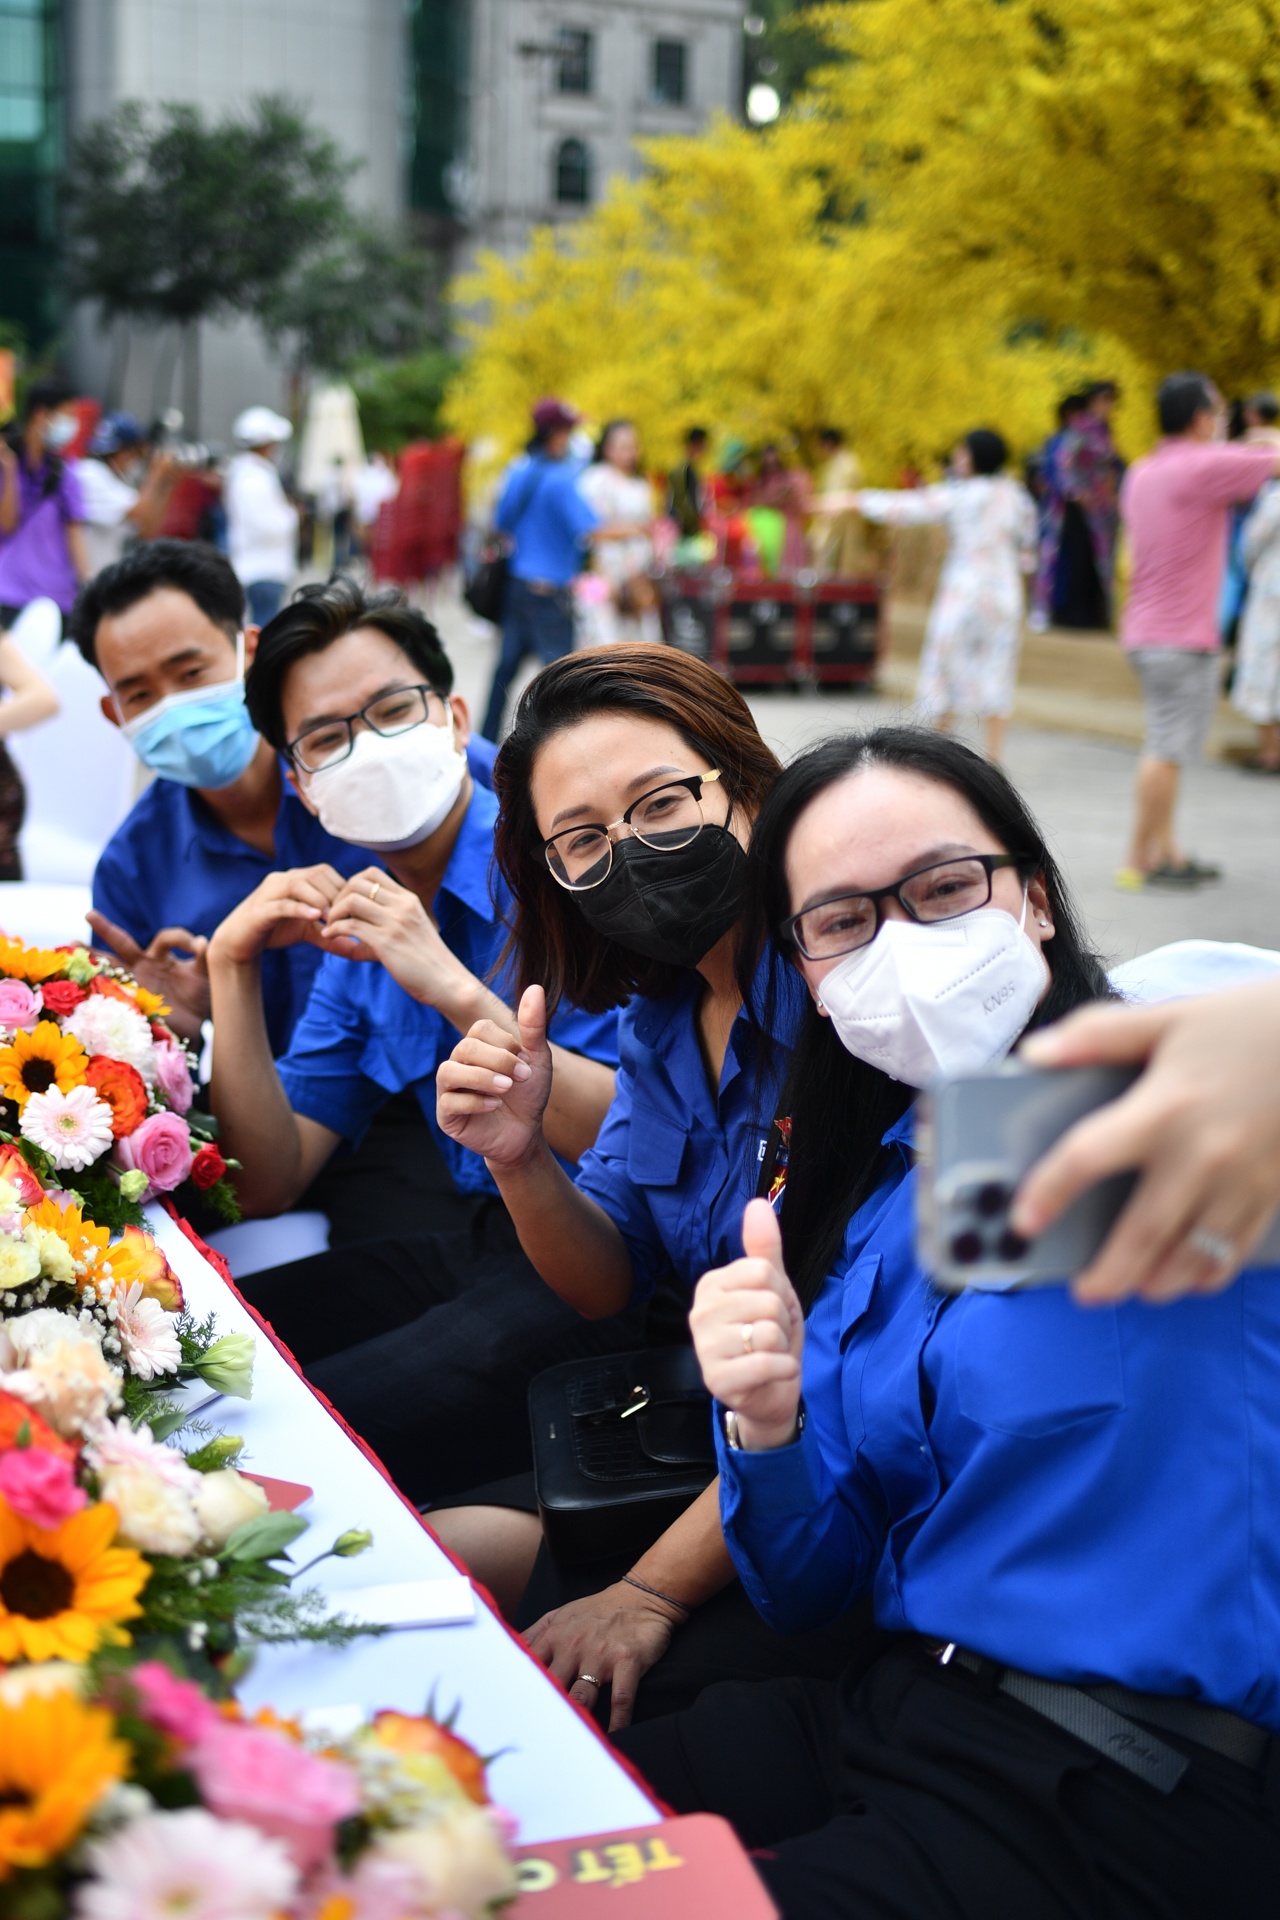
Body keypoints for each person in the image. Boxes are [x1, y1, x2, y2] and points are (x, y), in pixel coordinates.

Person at [618, 728, 1280, 1919]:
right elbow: (809, 1589)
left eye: (939, 888)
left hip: (1111, 1785)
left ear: (1031, 897)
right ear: (806, 968)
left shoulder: (1177, 1110)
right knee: (498, 1805)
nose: (901, 942)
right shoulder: (876, 1200)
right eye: (841, 920)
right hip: (888, 1711)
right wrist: (764, 1426)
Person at [436, 644, 866, 1718]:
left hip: (834, 1492)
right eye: (584, 839)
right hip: (698, 1448)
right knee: (432, 1556)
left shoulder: (855, 1013)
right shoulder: (663, 1015)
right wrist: (519, 1155)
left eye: (662, 803)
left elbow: (854, 1379)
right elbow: (605, 1279)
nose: (631, 851)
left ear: (749, 785)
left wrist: (647, 1594)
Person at [209, 581, 631, 1502]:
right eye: (326, 738)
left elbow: (646, 1137)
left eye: (393, 709)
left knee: (296, 1439)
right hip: (484, 1240)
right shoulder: (367, 920)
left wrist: (448, 983)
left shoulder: (564, 858)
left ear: (454, 718)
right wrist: (229, 968)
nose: (368, 747)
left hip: (624, 1259)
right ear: (300, 783)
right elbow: (271, 1177)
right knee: (209, 1355)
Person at [68, 547, 489, 1242]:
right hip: (280, 1120)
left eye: (191, 673)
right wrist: (168, 1028)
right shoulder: (133, 868)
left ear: (248, 650)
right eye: (141, 694)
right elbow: (158, 1099)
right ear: (115, 712)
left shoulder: (411, 775)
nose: (174, 707)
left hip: (434, 1105)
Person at [1117, 372, 1280, 889]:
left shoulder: (1143, 470)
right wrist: (1262, 435)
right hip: (1180, 638)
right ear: (1200, 417)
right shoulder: (1205, 465)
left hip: (1148, 630)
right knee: (1165, 749)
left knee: (1171, 749)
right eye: (1219, 411)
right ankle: (1138, 858)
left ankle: (1168, 850)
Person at [853, 430, 1037, 762]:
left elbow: (905, 506)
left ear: (976, 456)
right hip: (1004, 593)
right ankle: (994, 758)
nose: (957, 458)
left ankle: (937, 752)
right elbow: (1028, 548)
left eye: (962, 453)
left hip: (964, 589)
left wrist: (853, 500)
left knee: (945, 666)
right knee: (998, 669)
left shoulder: (960, 494)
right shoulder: (1017, 496)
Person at [481, 399, 597, 741]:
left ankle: (485, 742)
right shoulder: (562, 479)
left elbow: (501, 523)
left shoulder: (519, 471)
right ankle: (563, 749)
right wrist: (641, 528)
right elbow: (589, 529)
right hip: (550, 596)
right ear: (556, 434)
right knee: (564, 682)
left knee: (503, 674)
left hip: (518, 586)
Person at [578, 421, 659, 645]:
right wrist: (604, 577)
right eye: (623, 446)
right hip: (606, 580)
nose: (630, 453)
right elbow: (589, 532)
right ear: (607, 449)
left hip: (637, 580)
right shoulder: (596, 480)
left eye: (633, 446)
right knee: (608, 648)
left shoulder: (640, 484)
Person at [73, 412, 179, 576]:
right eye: (136, 454)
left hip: (101, 577)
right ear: (124, 452)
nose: (135, 461)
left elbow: (147, 529)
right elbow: (138, 513)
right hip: (81, 580)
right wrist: (156, 473)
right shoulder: (89, 473)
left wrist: (166, 483)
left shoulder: (113, 478)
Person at [224, 406, 299, 628]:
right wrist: (291, 517)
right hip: (263, 567)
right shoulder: (254, 478)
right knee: (265, 630)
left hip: (261, 565)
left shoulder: (249, 474)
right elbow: (266, 524)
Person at [808, 428, 879, 579]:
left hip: (840, 520)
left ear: (829, 443)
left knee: (836, 564)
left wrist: (824, 508)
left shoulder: (846, 463)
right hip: (833, 519)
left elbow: (844, 495)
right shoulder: (835, 463)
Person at [666, 427, 709, 539]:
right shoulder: (683, 470)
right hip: (683, 531)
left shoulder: (691, 468)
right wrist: (695, 523)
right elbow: (680, 501)